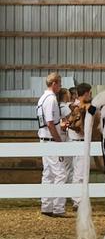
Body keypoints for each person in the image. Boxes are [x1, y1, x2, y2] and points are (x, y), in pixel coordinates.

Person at [36, 72, 68, 217]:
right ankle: (58, 208)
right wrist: (58, 140)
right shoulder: (51, 99)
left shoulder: (42, 98)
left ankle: (46, 206)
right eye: (59, 84)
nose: (60, 87)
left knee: (48, 174)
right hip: (51, 140)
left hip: (44, 140)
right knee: (61, 173)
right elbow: (50, 123)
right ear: (54, 83)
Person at [68, 82, 93, 211]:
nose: (91, 95)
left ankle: (77, 200)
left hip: (75, 141)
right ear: (87, 93)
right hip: (80, 141)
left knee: (77, 171)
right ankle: (78, 202)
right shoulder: (81, 107)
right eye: (90, 93)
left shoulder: (73, 106)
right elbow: (78, 127)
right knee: (80, 173)